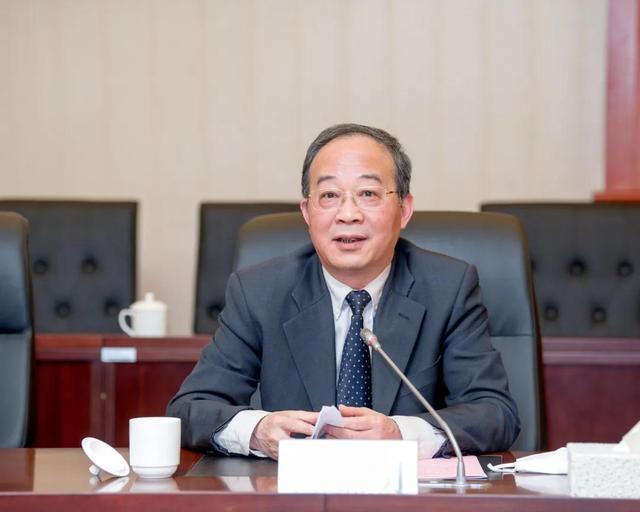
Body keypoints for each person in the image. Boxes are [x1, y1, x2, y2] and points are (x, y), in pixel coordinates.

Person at [167, 123, 520, 460]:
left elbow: (495, 413)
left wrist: (400, 434)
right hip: (296, 491)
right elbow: (190, 408)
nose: (348, 214)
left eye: (368, 194)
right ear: (307, 212)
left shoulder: (449, 287)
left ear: (404, 209)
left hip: (410, 492)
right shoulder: (259, 292)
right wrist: (258, 430)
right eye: (329, 195)